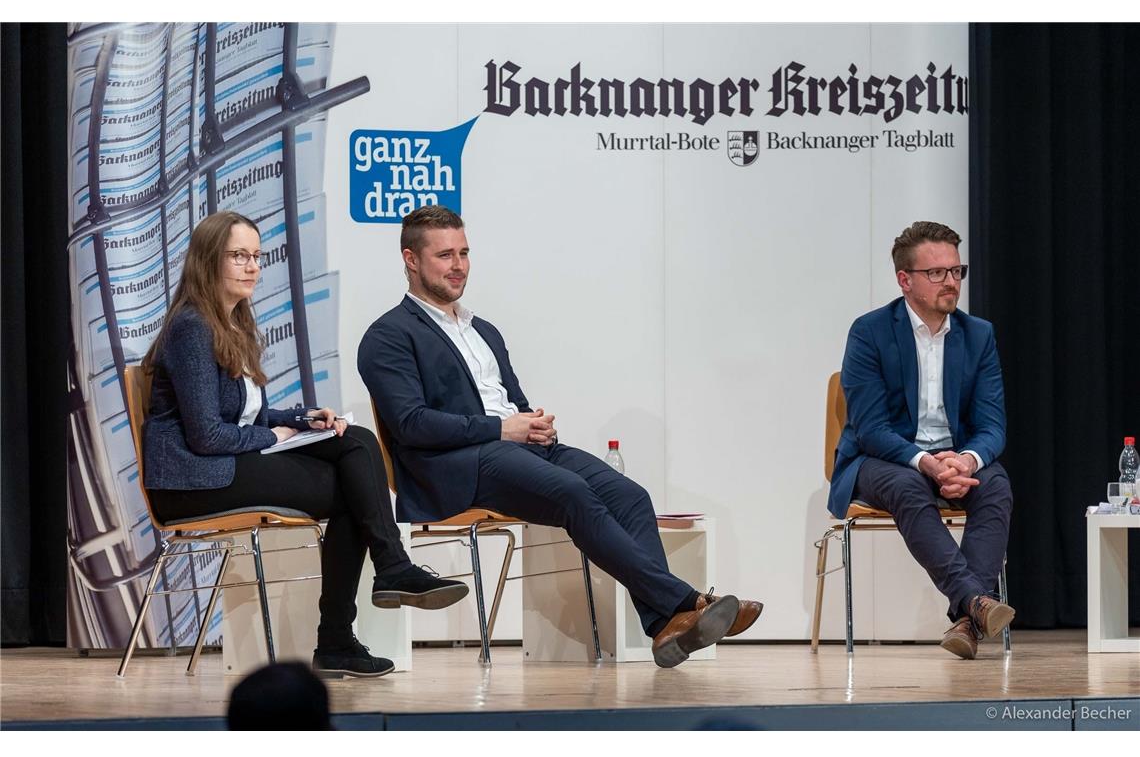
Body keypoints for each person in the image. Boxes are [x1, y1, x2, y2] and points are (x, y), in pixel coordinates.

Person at [357, 205, 763, 668]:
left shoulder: (482, 329)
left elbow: (511, 401)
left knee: (630, 495)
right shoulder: (388, 335)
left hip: (517, 447)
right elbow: (410, 425)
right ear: (411, 260)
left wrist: (531, 423)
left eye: (465, 253)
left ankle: (664, 626)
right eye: (445, 255)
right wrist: (501, 428)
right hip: (454, 466)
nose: (459, 266)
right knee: (572, 493)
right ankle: (686, 603)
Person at [141, 210, 468, 679]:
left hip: (225, 462)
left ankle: (383, 579)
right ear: (208, 261)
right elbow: (207, 434)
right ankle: (352, 616)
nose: (251, 266)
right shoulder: (192, 327)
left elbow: (243, 413)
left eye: (256, 256)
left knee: (353, 440)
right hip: (193, 479)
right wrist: (274, 436)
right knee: (353, 490)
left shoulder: (232, 322)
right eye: (238, 256)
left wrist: (302, 419)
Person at [830, 220, 1014, 659]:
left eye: (956, 271)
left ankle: (968, 621)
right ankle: (974, 600)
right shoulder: (870, 332)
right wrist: (926, 463)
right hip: (884, 459)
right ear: (905, 280)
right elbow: (871, 428)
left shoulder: (978, 335)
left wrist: (966, 461)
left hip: (954, 456)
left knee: (996, 487)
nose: (951, 282)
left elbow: (992, 425)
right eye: (937, 273)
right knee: (909, 485)